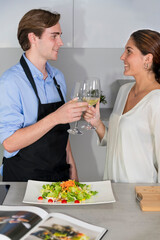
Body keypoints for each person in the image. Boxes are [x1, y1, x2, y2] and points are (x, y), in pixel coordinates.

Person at [0, 9, 88, 182]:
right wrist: (56, 117)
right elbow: (10, 143)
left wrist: (74, 176)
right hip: (24, 180)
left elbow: (63, 134)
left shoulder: (58, 77)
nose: (61, 42)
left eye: (60, 36)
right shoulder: (11, 81)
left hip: (60, 179)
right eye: (54, 36)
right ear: (33, 38)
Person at [84, 29, 160, 183]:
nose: (122, 57)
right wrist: (97, 123)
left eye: (129, 51)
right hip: (111, 188)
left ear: (148, 59)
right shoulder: (124, 91)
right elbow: (116, 141)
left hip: (141, 193)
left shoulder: (157, 100)